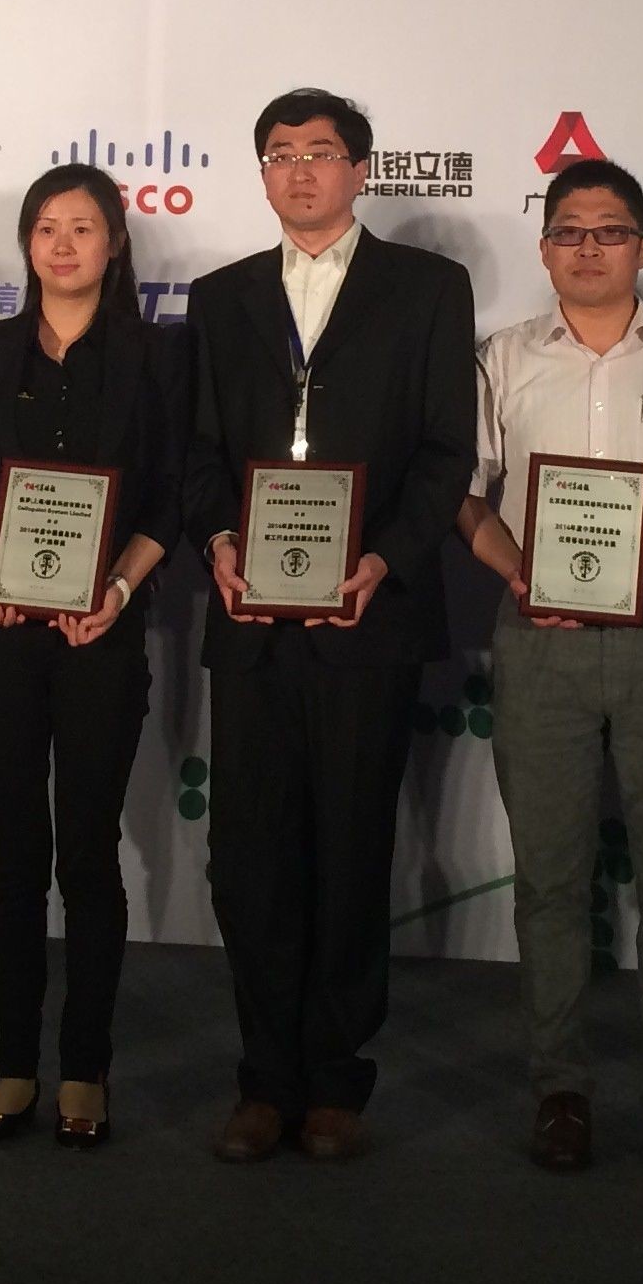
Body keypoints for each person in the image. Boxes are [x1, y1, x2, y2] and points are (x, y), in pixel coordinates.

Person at [187, 87, 477, 1164]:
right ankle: (264, 1079)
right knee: (248, 857)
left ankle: (337, 1078)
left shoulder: (428, 288)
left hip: (369, 613)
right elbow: (197, 450)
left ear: (360, 169)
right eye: (279, 153)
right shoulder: (220, 298)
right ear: (262, 173)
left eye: (320, 152)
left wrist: (383, 559)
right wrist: (221, 539)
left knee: (352, 849)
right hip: (250, 617)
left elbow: (447, 453)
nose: (299, 170)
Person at [457, 156, 643, 1182]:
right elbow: (466, 495)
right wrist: (515, 570)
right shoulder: (502, 358)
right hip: (542, 641)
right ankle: (561, 1090)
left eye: (610, 231)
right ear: (544, 251)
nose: (589, 248)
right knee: (550, 880)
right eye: (569, 231)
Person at [0, 165, 182, 1150]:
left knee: (87, 852)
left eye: (83, 227)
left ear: (115, 243)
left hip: (102, 635)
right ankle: (13, 1063)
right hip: (0, 632)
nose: (63, 244)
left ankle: (85, 1067)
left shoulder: (157, 357)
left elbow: (171, 497)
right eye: (46, 227)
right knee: (13, 853)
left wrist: (117, 590)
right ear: (26, 243)